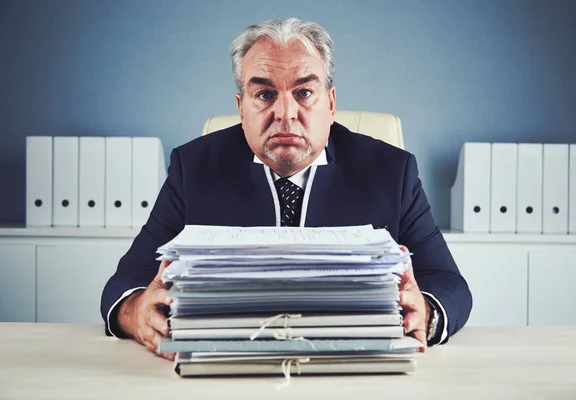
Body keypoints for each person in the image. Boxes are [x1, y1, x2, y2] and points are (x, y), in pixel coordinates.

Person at [101, 18, 472, 360]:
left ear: (330, 103)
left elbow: (449, 283)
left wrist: (425, 310)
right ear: (241, 107)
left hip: (354, 367)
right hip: (226, 367)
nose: (285, 113)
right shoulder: (193, 167)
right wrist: (135, 313)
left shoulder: (392, 171)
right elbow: (128, 280)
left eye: (304, 93)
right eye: (264, 95)